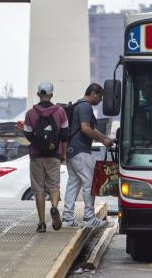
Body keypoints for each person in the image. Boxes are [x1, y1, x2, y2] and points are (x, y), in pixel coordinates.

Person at [17, 82, 68, 233]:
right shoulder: (60, 112)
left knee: (38, 189)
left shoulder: (30, 113)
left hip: (36, 156)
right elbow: (65, 135)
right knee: (54, 186)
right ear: (51, 95)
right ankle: (53, 207)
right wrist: (62, 154)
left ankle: (41, 223)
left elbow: (28, 135)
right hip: (54, 156)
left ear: (39, 94)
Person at [62, 83, 114, 228]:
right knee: (89, 184)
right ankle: (89, 217)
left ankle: (67, 218)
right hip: (81, 151)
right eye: (100, 96)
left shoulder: (77, 105)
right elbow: (86, 129)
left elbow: (88, 129)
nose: (101, 100)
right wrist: (104, 140)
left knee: (73, 183)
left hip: (72, 151)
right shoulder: (85, 107)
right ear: (93, 93)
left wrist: (105, 139)